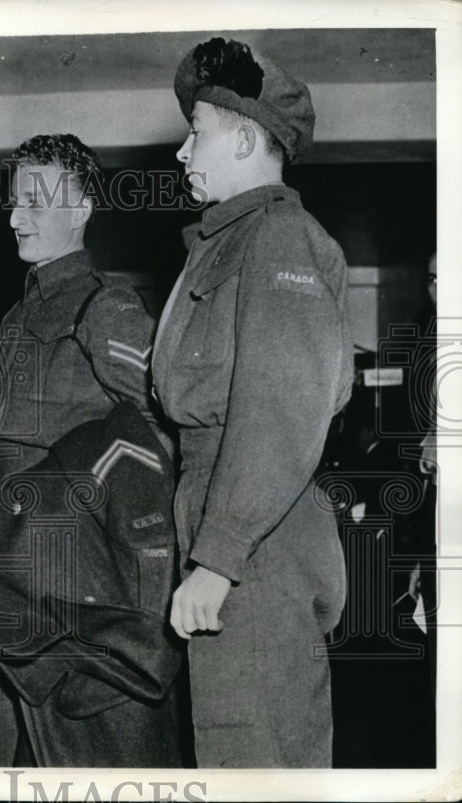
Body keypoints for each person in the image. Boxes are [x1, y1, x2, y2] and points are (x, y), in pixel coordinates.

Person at [151, 37, 353, 767]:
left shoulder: (275, 237)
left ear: (242, 137)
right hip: (233, 523)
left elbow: (281, 406)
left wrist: (220, 556)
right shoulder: (231, 242)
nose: (181, 151)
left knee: (257, 758)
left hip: (255, 537)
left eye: (195, 130)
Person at [0, 133, 175, 765]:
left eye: (36, 198)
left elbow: (165, 427)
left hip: (68, 574)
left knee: (85, 756)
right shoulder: (15, 315)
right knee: (6, 758)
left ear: (82, 207)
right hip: (7, 564)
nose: (15, 214)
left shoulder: (103, 305)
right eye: (14, 199)